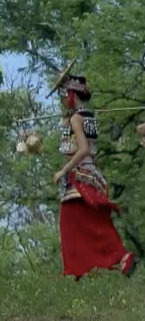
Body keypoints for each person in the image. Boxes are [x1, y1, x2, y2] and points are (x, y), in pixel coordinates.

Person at [47, 59, 137, 279]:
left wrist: (63, 171)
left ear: (73, 95)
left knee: (73, 224)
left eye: (64, 93)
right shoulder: (88, 117)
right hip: (91, 175)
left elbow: (83, 149)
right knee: (91, 223)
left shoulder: (77, 119)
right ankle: (92, 269)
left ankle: (86, 268)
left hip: (80, 176)